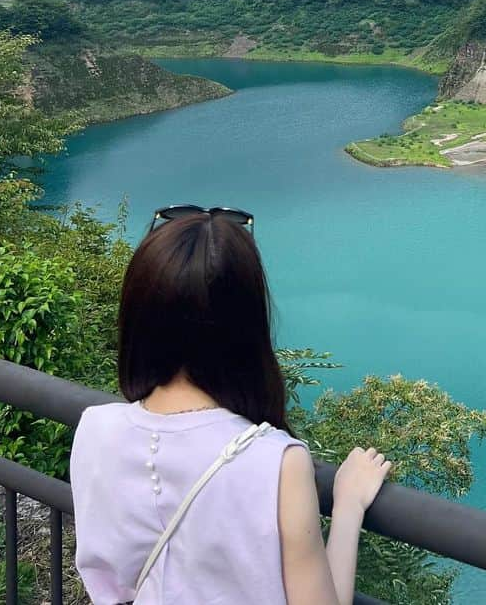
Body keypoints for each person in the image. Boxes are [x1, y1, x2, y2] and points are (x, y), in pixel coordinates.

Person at [70, 205, 390, 604]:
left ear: (138, 315)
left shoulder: (95, 429)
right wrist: (348, 505)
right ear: (246, 326)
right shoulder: (276, 461)